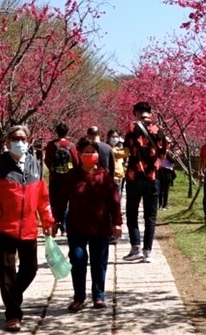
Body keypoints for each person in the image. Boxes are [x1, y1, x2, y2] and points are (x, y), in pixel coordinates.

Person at [0, 124, 55, 331]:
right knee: (7, 270)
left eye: (23, 138)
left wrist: (47, 220)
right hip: (4, 226)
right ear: (7, 142)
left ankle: (12, 297)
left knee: (30, 269)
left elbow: (43, 198)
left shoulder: (35, 165)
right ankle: (13, 314)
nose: (20, 142)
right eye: (16, 138)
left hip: (28, 227)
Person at [65, 132, 122, 311]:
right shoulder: (72, 175)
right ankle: (79, 297)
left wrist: (117, 222)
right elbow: (60, 199)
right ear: (80, 155)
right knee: (78, 260)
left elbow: (114, 201)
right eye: (86, 152)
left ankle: (99, 295)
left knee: (99, 263)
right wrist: (54, 219)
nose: (90, 155)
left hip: (100, 227)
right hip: (76, 226)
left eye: (93, 151)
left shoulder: (104, 175)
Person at [122, 102, 167, 262]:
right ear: (150, 112)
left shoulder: (132, 127)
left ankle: (136, 248)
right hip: (153, 177)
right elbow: (162, 156)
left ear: (136, 113)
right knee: (150, 216)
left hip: (134, 176)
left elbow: (126, 151)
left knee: (132, 213)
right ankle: (148, 251)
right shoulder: (159, 129)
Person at [43, 123, 79, 235]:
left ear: (56, 131)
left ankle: (54, 226)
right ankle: (64, 227)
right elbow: (76, 162)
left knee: (54, 202)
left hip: (55, 178)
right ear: (67, 132)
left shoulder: (51, 145)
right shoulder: (71, 145)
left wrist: (53, 169)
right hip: (68, 179)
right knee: (66, 202)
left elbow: (46, 160)